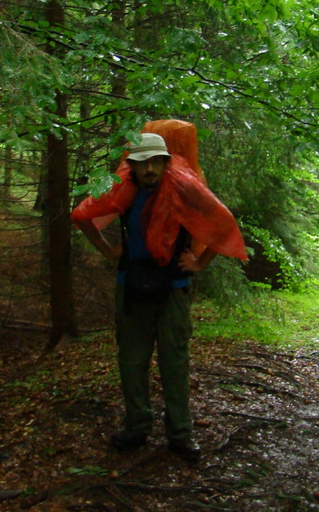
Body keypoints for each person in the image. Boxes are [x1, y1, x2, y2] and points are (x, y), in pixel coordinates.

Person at [72, 131, 247, 461]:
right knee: (132, 362)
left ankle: (180, 434)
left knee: (174, 363)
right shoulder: (122, 191)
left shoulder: (183, 188)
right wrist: (109, 251)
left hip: (174, 289)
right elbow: (81, 216)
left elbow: (223, 224)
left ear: (166, 163)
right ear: (133, 166)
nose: (149, 169)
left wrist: (199, 262)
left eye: (156, 162)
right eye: (142, 163)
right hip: (132, 285)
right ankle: (137, 428)